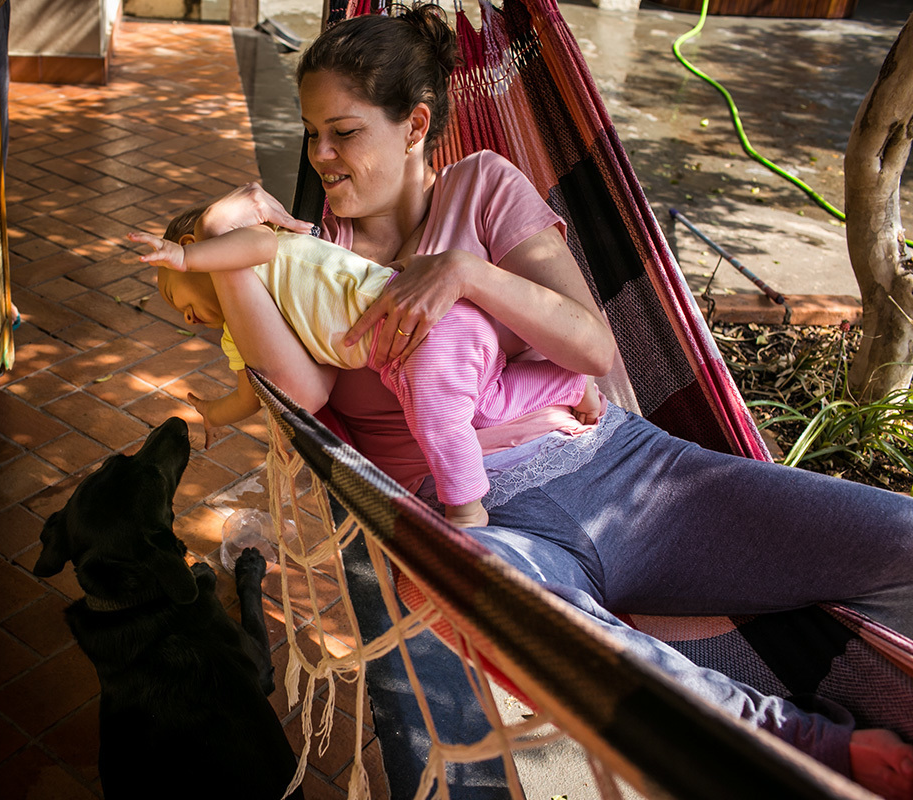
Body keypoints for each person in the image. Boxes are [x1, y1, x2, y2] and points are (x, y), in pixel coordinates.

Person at [186, 4, 913, 798]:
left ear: (414, 124)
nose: (320, 154)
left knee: (901, 538)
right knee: (478, 601)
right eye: (311, 132)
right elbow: (297, 397)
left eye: (343, 132)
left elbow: (592, 349)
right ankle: (795, 743)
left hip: (623, 474)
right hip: (484, 531)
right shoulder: (314, 262)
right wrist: (232, 248)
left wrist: (465, 274)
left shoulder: (485, 186)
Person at [129, 211, 601, 527]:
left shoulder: (261, 247)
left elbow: (252, 245)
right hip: (411, 352)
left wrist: (188, 258)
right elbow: (252, 391)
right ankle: (569, 383)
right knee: (484, 405)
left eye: (176, 297)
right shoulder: (242, 330)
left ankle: (465, 507)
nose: (186, 318)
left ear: (193, 246)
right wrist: (214, 413)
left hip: (424, 325)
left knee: (437, 422)